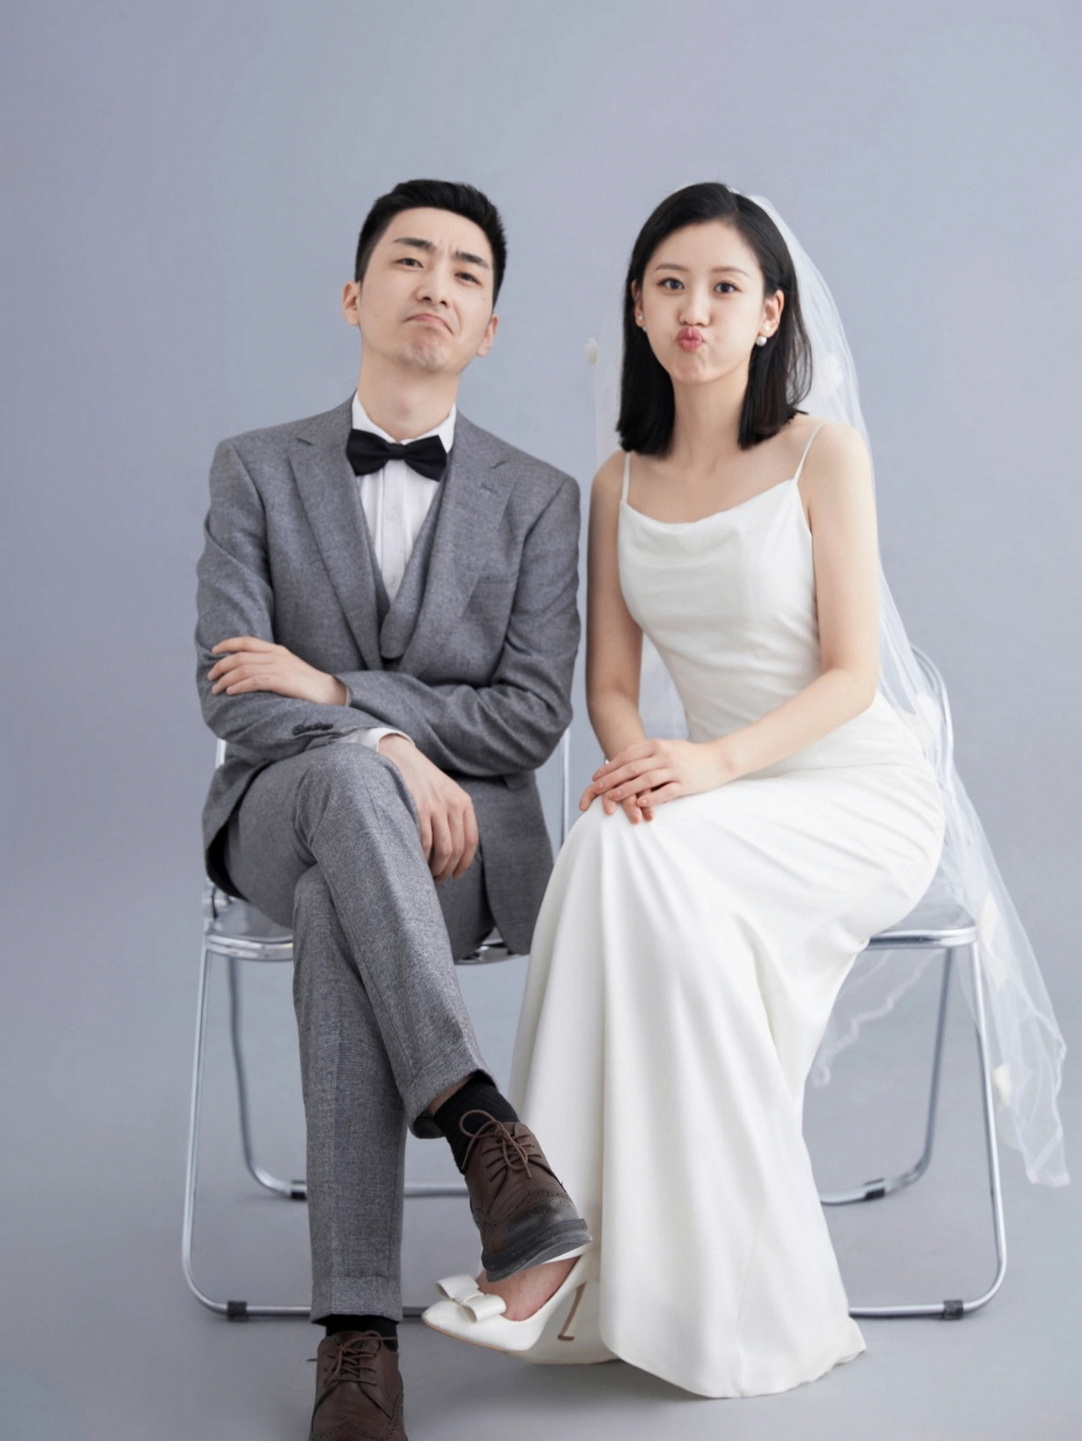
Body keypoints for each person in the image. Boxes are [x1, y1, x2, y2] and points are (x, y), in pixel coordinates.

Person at [421, 181, 954, 1396]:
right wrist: (641, 768)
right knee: (614, 836)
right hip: (717, 804)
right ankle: (578, 1243)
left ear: (769, 313)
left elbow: (851, 676)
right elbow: (610, 686)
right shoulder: (617, 482)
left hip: (850, 794)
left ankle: (546, 1247)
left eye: (722, 287)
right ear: (637, 306)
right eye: (669, 285)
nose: (693, 311)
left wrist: (702, 766)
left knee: (619, 848)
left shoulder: (822, 454)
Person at [195, 178, 590, 1441]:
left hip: (458, 851)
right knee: (340, 790)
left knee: (336, 909)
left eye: (467, 272)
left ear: (489, 327)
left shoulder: (540, 498)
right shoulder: (255, 469)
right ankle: (482, 1130)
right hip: (278, 807)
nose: (437, 284)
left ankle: (355, 1338)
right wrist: (379, 745)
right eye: (410, 260)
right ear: (354, 295)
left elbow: (530, 719)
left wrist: (335, 692)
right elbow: (231, 695)